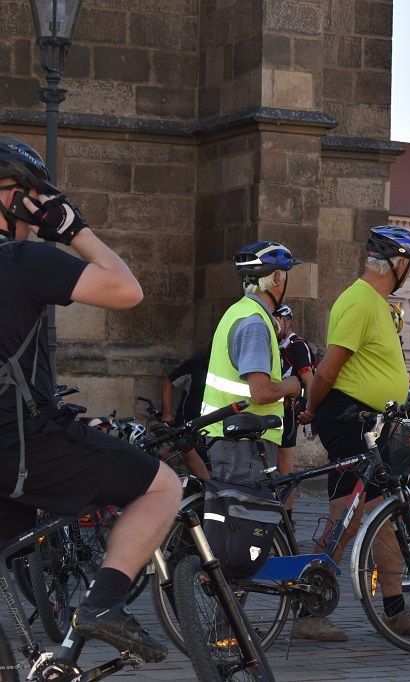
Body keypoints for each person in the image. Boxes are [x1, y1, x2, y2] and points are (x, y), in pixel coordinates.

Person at [0, 136, 180, 662]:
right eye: (33, 200)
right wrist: (76, 230)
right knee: (161, 488)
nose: (38, 216)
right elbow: (127, 290)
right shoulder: (23, 260)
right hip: (24, 441)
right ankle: (103, 603)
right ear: (12, 199)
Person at [299, 226, 410, 640]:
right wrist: (311, 407)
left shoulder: (375, 302)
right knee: (345, 515)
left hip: (369, 421)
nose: (408, 271)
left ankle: (395, 610)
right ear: (398, 264)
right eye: (409, 264)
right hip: (349, 419)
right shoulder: (361, 302)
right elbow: (329, 367)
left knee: (384, 514)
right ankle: (308, 611)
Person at [273, 304, 318, 520]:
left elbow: (309, 379)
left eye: (278, 320)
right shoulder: (273, 342)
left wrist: (309, 411)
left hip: (289, 409)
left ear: (288, 321)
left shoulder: (297, 345)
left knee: (285, 463)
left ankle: (287, 518)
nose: (275, 325)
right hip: (272, 406)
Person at [160, 349, 211, 479]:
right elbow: (168, 382)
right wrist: (167, 413)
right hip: (189, 423)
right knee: (195, 460)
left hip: (213, 425)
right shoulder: (195, 365)